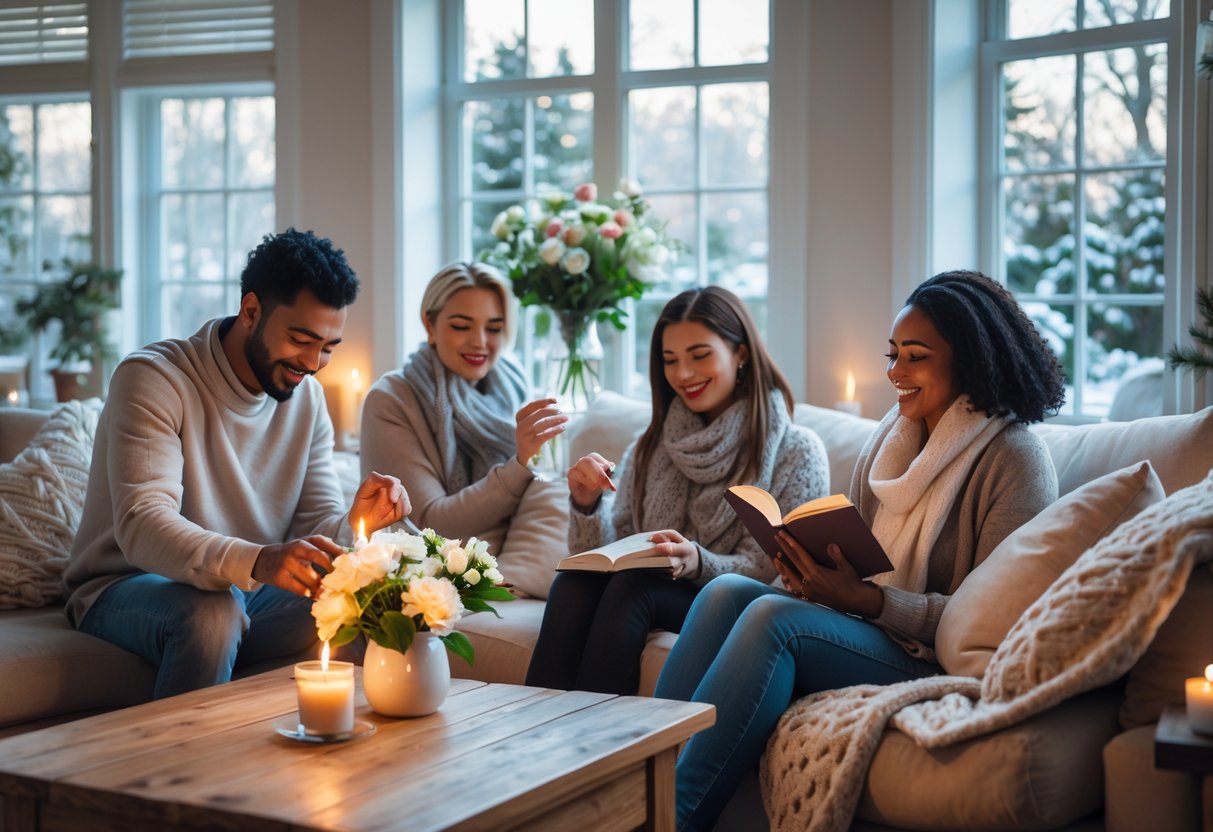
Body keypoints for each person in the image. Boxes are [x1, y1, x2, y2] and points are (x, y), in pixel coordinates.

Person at [653, 270, 1066, 831]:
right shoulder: (889, 441)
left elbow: (991, 621)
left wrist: (869, 601)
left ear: (970, 360)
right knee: (727, 591)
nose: (895, 372)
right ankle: (637, 783)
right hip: (867, 623)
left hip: (932, 655)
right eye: (893, 355)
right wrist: (808, 574)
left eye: (915, 357)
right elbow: (854, 551)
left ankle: (672, 819)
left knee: (776, 622)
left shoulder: (1016, 461)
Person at [63, 229, 410, 699]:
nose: (313, 363)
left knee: (368, 595)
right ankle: (186, 752)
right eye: (301, 339)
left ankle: (343, 745)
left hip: (244, 588)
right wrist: (261, 560)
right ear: (251, 311)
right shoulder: (155, 379)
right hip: (126, 586)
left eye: (329, 346)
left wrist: (357, 522)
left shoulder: (307, 400)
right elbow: (143, 525)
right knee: (212, 613)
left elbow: (315, 523)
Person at [525, 286, 830, 696]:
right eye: (670, 360)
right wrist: (587, 504)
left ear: (740, 352)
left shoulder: (797, 451)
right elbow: (609, 553)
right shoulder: (652, 444)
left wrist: (698, 561)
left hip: (737, 601)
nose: (683, 374)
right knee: (573, 584)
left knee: (635, 588)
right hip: (654, 588)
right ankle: (541, 727)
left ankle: (604, 736)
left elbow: (773, 570)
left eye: (699, 355)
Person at [359, 261, 567, 556]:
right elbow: (428, 525)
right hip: (428, 569)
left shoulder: (511, 380)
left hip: (504, 559)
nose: (480, 342)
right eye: (461, 326)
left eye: (494, 328)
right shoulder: (391, 399)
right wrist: (519, 465)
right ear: (430, 326)